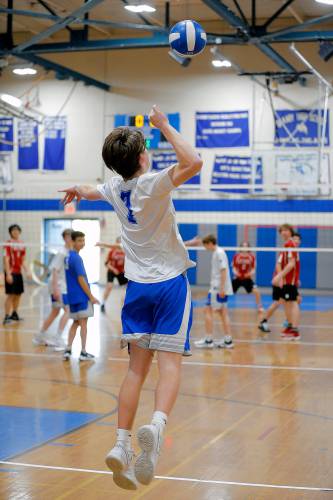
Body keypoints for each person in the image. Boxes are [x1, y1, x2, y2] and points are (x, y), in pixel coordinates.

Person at [60, 105, 202, 491]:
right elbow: (194, 161)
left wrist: (77, 189)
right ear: (143, 157)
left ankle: (121, 444)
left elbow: (91, 191)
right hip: (170, 283)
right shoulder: (152, 184)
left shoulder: (114, 189)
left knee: (135, 371)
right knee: (170, 365)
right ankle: (155, 426)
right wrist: (165, 126)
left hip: (137, 288)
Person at [33, 228, 73, 349]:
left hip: (62, 286)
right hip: (59, 287)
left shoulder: (70, 252)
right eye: (69, 236)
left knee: (55, 312)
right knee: (68, 311)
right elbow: (54, 270)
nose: (71, 238)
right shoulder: (62, 252)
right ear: (65, 238)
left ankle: (39, 336)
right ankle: (58, 338)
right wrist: (56, 288)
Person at [63, 231, 100, 361]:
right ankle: (83, 352)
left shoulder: (67, 257)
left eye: (83, 240)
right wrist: (91, 296)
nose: (82, 243)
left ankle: (68, 349)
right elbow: (80, 279)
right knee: (83, 323)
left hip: (72, 296)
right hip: (81, 296)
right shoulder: (76, 258)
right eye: (79, 240)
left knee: (76, 322)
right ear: (72, 242)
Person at [259, 225, 300, 340]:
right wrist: (279, 277)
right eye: (282, 231)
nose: (284, 232)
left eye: (286, 230)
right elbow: (279, 263)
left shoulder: (291, 245)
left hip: (289, 280)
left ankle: (294, 330)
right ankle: (290, 327)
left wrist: (279, 276)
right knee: (286, 302)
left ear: (291, 232)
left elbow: (292, 264)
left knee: (292, 302)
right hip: (285, 280)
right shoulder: (286, 245)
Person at [195, 234, 234, 350]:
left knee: (208, 311)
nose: (205, 248)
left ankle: (209, 340)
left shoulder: (219, 253)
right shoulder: (217, 252)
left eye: (205, 245)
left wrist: (222, 288)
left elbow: (223, 270)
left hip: (218, 289)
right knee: (222, 313)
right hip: (218, 288)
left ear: (210, 243)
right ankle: (228, 340)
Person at [3, 224, 31, 325]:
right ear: (10, 232)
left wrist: (27, 271)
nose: (15, 232)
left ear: (19, 231)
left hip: (18, 272)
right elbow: (5, 259)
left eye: (17, 230)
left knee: (18, 294)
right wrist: (8, 274)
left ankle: (14, 313)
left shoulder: (22, 244)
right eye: (13, 230)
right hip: (11, 272)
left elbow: (23, 260)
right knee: (10, 295)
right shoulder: (7, 244)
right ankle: (6, 316)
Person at [232, 241, 263, 313]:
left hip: (247, 279)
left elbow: (254, 268)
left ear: (248, 248)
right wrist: (237, 273)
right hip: (237, 278)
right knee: (226, 291)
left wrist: (249, 274)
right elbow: (233, 267)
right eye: (243, 246)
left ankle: (259, 307)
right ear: (240, 247)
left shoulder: (251, 257)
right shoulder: (236, 256)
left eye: (246, 246)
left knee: (257, 292)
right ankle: (220, 305)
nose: (244, 248)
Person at [99, 237, 127, 313]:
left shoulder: (125, 252)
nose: (119, 244)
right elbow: (106, 263)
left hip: (121, 272)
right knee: (109, 286)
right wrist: (113, 269)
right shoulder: (112, 251)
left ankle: (125, 304)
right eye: (118, 242)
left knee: (127, 287)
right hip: (112, 271)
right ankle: (103, 304)